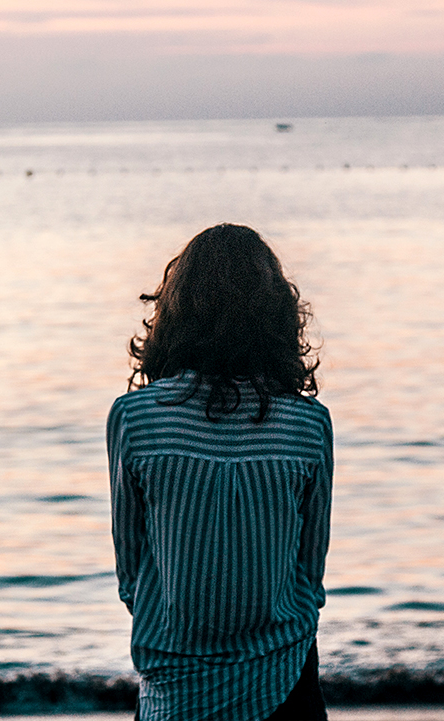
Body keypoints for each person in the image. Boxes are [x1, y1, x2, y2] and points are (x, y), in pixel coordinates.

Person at [108, 223, 333, 721]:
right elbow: (310, 571)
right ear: (277, 317)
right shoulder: (308, 423)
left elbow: (132, 570)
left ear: (175, 313)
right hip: (284, 676)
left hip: (175, 686)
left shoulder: (135, 418)